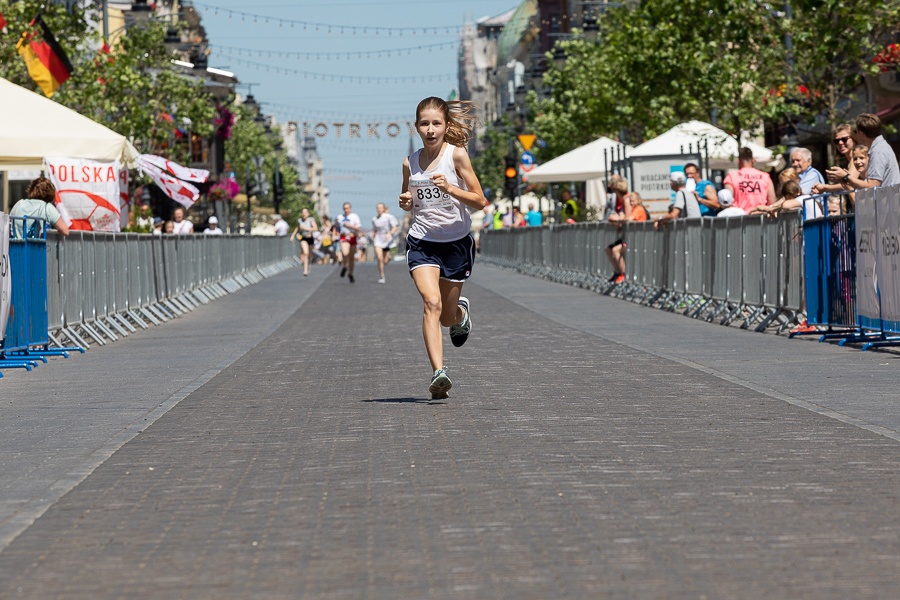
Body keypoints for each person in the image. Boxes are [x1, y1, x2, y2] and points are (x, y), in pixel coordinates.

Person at [399, 96, 487, 400]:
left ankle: (460, 315)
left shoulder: (456, 156)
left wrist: (451, 188)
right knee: (431, 303)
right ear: (416, 127)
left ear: (446, 125)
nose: (431, 129)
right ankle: (439, 373)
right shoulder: (409, 163)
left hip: (457, 244)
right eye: (425, 124)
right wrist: (405, 202)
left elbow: (480, 200)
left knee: (447, 316)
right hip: (423, 242)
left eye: (437, 123)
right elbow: (407, 199)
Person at [827, 113, 900, 189]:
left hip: (888, 200)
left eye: (856, 131)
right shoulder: (881, 147)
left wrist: (845, 177)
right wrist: (848, 178)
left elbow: (872, 186)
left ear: (861, 133)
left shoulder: (877, 151)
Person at [723, 147, 776, 213]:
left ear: (739, 161)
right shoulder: (765, 177)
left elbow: (727, 201)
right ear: (753, 160)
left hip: (739, 218)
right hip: (761, 217)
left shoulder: (731, 177)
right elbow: (772, 201)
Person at [812, 124, 857, 195]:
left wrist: (824, 187)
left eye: (844, 139)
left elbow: (849, 183)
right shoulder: (848, 160)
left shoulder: (856, 158)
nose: (840, 143)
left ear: (854, 139)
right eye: (837, 141)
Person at [604, 178, 632, 284]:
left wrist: (618, 219)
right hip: (623, 233)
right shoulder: (624, 200)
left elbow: (628, 218)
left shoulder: (626, 199)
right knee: (608, 249)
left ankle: (623, 274)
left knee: (615, 250)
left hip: (629, 235)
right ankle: (617, 272)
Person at [372, 202, 400, 283]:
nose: (379, 209)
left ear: (384, 208)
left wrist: (390, 234)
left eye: (380, 207)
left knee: (386, 261)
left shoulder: (388, 217)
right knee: (380, 258)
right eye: (377, 208)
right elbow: (374, 229)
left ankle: (388, 258)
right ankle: (382, 276)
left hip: (387, 240)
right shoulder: (374, 219)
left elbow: (396, 226)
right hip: (378, 239)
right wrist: (373, 235)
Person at [336, 202, 362, 283]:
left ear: (350, 208)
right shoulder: (340, 217)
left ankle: (350, 273)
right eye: (344, 208)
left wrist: (350, 226)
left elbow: (358, 228)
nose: (346, 210)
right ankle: (345, 266)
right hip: (344, 236)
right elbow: (336, 226)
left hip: (352, 236)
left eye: (347, 208)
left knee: (351, 258)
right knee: (345, 252)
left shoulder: (354, 216)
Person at [291, 208, 318, 276]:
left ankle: (308, 266)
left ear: (308, 213)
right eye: (302, 212)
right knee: (306, 253)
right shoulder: (300, 221)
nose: (304, 214)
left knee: (309, 254)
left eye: (305, 212)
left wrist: (306, 228)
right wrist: (292, 235)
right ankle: (305, 270)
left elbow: (315, 228)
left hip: (310, 238)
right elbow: (297, 228)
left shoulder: (311, 220)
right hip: (303, 238)